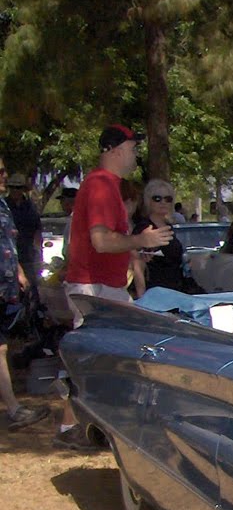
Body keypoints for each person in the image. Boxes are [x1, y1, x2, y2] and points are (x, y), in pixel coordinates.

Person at [55, 124, 171, 450]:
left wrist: (135, 251)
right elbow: (102, 241)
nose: (136, 154)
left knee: (96, 358)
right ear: (116, 149)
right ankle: (70, 428)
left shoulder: (102, 184)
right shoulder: (103, 185)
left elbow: (105, 244)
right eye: (133, 148)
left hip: (101, 286)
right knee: (92, 359)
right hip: (95, 289)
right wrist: (140, 239)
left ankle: (82, 425)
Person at [0, 160, 50, 431]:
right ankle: (14, 408)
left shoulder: (6, 207)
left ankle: (14, 408)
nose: (5, 178)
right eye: (1, 173)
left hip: (6, 285)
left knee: (2, 348)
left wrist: (20, 272)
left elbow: (11, 244)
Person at [132, 179, 190, 293]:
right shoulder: (144, 228)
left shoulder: (169, 226)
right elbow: (137, 265)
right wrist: (142, 298)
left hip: (175, 289)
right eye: (157, 198)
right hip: (154, 292)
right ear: (149, 201)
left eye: (168, 199)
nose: (163, 202)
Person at [6, 174, 42, 296]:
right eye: (13, 188)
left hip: (28, 255)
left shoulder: (30, 207)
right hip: (9, 256)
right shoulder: (4, 206)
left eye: (19, 188)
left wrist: (38, 252)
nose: (16, 191)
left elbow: (37, 230)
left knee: (32, 290)